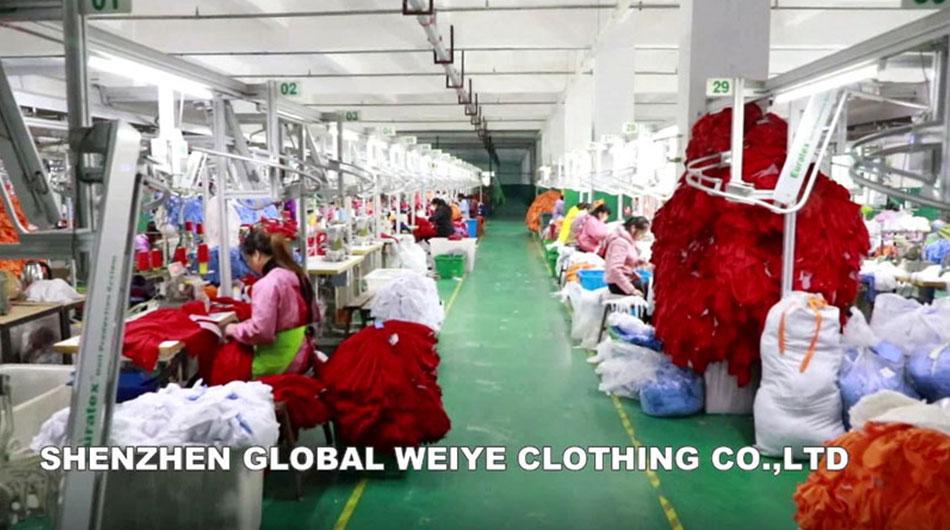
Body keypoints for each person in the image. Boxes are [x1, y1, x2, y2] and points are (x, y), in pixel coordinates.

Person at [225, 227, 317, 378]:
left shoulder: (267, 284)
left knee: (223, 364)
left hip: (280, 361)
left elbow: (261, 332)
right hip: (302, 352)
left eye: (248, 260)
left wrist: (232, 329)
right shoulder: (295, 274)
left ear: (256, 255)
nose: (249, 265)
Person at [604, 216, 651, 296]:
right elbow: (614, 269)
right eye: (642, 233)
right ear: (633, 228)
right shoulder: (620, 243)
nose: (642, 237)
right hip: (619, 285)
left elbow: (626, 260)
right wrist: (631, 290)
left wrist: (638, 262)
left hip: (626, 280)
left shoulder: (628, 242)